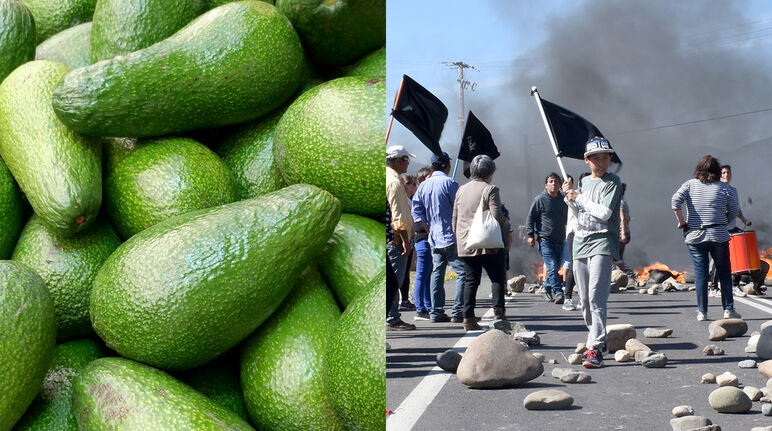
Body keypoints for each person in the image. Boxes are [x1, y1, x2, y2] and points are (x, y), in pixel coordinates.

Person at [562, 137, 622, 368]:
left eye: (605, 157)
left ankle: (594, 347)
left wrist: (579, 197)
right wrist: (570, 198)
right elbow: (581, 213)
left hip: (603, 242)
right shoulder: (583, 183)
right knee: (585, 300)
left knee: (597, 296)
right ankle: (598, 337)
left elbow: (604, 213)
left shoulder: (612, 182)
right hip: (580, 242)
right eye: (596, 158)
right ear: (587, 160)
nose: (601, 162)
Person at [671, 155, 741, 322]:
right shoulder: (726, 189)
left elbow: (675, 201)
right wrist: (722, 221)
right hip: (719, 235)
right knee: (724, 273)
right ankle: (728, 309)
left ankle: (702, 312)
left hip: (695, 236)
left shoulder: (689, 185)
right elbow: (733, 211)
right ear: (717, 171)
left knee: (701, 274)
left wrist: (682, 222)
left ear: (698, 169)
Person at [452, 155, 511, 331]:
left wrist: (459, 239)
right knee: (498, 278)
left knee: (471, 280)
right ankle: (499, 314)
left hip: (466, 243)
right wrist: (507, 223)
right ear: (490, 172)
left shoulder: (461, 190)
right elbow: (497, 215)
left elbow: (455, 218)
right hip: (488, 243)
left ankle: (468, 318)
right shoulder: (490, 189)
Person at [412, 152, 466, 323]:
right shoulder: (450, 183)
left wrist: (428, 229)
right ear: (446, 165)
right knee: (463, 273)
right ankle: (457, 312)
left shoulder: (423, 186)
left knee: (437, 274)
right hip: (451, 236)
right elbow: (460, 210)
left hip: (433, 237)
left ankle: (436, 312)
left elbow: (417, 213)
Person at [386, 145, 416, 330]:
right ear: (398, 161)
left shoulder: (389, 178)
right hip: (396, 239)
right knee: (394, 281)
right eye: (406, 160)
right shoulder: (395, 183)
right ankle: (392, 317)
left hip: (391, 237)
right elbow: (398, 216)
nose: (407, 164)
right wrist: (404, 239)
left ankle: (392, 315)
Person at [527, 173, 568, 304]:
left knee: (554, 268)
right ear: (546, 185)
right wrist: (530, 235)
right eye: (551, 181)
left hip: (560, 239)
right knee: (552, 266)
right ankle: (559, 292)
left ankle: (546, 289)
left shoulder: (564, 199)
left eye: (556, 182)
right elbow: (531, 218)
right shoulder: (540, 199)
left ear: (560, 185)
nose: (554, 184)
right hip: (545, 240)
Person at [411, 166, 434, 320]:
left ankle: (427, 305)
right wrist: (428, 230)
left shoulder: (424, 194)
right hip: (422, 238)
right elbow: (418, 218)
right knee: (421, 275)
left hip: (426, 239)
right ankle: (420, 308)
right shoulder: (419, 196)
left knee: (427, 274)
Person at [398, 173, 418, 311]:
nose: (415, 187)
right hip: (405, 238)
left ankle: (404, 298)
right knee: (403, 272)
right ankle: (403, 299)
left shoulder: (407, 199)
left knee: (405, 271)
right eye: (414, 185)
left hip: (408, 237)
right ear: (407, 185)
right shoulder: (404, 200)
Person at [613, 183, 638, 282]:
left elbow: (623, 219)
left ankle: (631, 274)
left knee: (615, 258)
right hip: (624, 232)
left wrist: (622, 233)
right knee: (618, 258)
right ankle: (622, 277)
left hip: (621, 234)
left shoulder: (619, 203)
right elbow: (628, 218)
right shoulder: (624, 202)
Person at [560, 174, 578, 311]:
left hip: (587, 234)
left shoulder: (581, 195)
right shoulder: (569, 197)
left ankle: (584, 298)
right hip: (573, 233)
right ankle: (568, 298)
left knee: (586, 267)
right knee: (573, 265)